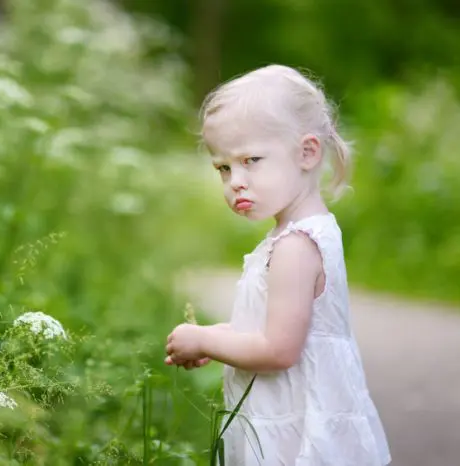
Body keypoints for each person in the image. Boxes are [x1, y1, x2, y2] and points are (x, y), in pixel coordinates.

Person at [164, 64, 391, 466]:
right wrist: (216, 337)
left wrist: (204, 341)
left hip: (296, 428)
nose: (235, 180)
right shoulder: (300, 232)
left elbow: (279, 349)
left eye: (251, 159)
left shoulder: (296, 246)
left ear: (307, 152)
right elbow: (271, 328)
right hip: (292, 411)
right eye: (223, 168)